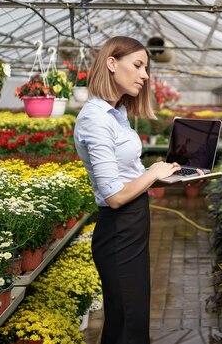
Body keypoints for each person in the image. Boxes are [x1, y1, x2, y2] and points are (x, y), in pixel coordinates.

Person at [74, 36, 181, 344]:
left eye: (145, 67)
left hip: (132, 227)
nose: (145, 75)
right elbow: (115, 195)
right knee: (127, 326)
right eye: (138, 65)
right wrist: (153, 173)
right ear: (111, 63)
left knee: (129, 321)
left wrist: (168, 176)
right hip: (119, 230)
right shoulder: (96, 119)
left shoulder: (116, 114)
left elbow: (126, 178)